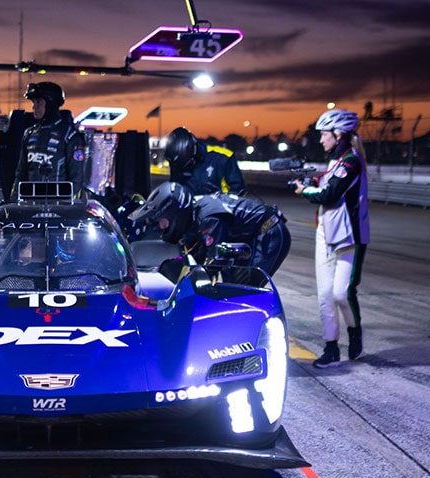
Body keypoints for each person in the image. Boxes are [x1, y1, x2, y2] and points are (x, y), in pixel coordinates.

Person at [293, 109, 370, 368]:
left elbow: (330, 194)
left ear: (339, 135)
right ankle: (331, 348)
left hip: (350, 237)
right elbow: (325, 183)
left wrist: (305, 191)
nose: (321, 140)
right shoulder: (336, 162)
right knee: (325, 295)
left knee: (341, 294)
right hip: (325, 234)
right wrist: (309, 181)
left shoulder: (351, 161)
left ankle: (355, 333)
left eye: (324, 135)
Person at [128, 182, 290, 284]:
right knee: (231, 284)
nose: (162, 227)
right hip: (252, 237)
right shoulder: (197, 212)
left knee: (246, 288)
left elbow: (216, 260)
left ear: (174, 214)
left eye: (163, 221)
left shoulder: (208, 216)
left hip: (269, 232)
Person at [12, 81, 87, 199]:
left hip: (59, 207)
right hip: (30, 205)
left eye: (38, 102)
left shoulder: (70, 136)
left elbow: (77, 178)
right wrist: (14, 201)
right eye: (33, 102)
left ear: (51, 103)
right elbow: (21, 173)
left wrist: (66, 208)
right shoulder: (29, 133)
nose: (34, 107)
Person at [164, 126, 247, 196]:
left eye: (186, 164)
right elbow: (174, 190)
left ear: (193, 150)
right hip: (189, 210)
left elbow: (238, 189)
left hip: (219, 210)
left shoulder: (223, 157)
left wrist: (219, 204)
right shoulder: (176, 163)